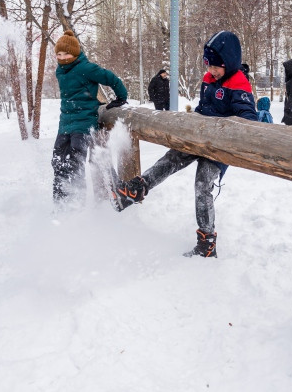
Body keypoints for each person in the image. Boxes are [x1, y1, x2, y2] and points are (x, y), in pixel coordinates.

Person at [110, 31, 257, 258]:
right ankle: (136, 190)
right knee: (171, 158)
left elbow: (248, 119)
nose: (211, 71)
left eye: (216, 67)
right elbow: (203, 108)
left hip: (220, 147)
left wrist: (223, 128)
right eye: (208, 66)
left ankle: (206, 243)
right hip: (199, 137)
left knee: (202, 182)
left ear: (229, 62)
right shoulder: (209, 80)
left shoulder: (239, 84)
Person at [52, 30, 128, 206]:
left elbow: (111, 78)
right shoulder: (60, 70)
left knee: (75, 162)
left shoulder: (85, 68)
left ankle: (76, 203)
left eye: (66, 53)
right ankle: (60, 204)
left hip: (84, 123)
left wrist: (121, 97)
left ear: (76, 53)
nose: (62, 58)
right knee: (58, 162)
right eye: (59, 54)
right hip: (65, 124)